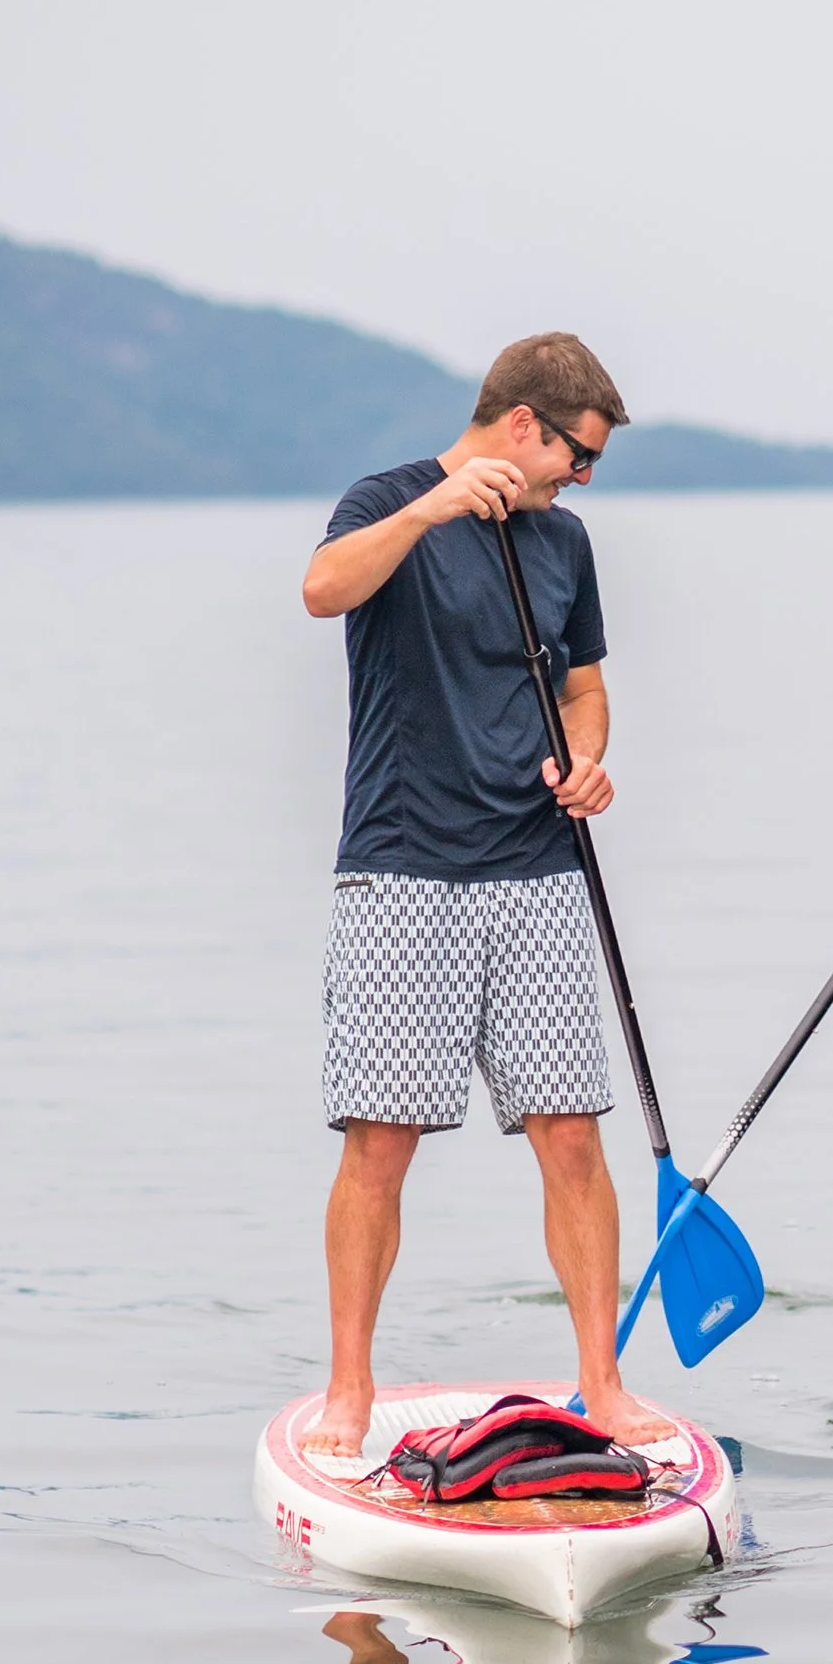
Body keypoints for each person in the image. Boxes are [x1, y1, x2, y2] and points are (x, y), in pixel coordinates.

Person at [301, 332, 665, 1454]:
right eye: (576, 454)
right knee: (380, 1143)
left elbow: (585, 682)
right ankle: (349, 1389)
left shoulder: (562, 541)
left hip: (538, 867)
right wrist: (435, 511)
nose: (582, 478)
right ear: (521, 425)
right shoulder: (388, 501)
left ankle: (601, 1384)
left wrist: (589, 755)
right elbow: (322, 592)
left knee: (572, 1139)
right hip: (403, 863)